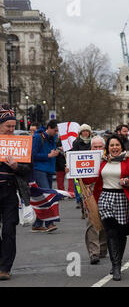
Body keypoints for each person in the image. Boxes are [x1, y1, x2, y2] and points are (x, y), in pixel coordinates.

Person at [83, 134, 129, 281]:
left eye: (117, 145)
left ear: (121, 147)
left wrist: (128, 182)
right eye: (111, 145)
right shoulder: (101, 162)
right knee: (111, 232)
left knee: (121, 234)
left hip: (122, 199)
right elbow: (90, 178)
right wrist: (77, 171)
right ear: (107, 148)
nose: (114, 148)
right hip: (105, 199)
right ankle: (115, 266)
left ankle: (118, 262)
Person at [0, 104, 32, 281]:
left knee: (9, 230)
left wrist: (16, 166)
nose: (11, 129)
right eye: (8, 126)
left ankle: (5, 267)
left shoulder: (20, 144)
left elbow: (28, 170)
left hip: (10, 190)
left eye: (13, 126)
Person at [82, 136, 108, 265]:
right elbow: (82, 178)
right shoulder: (85, 159)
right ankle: (94, 252)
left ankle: (103, 248)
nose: (97, 149)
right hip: (90, 191)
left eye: (100, 147)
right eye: (95, 147)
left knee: (105, 220)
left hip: (106, 191)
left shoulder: (110, 159)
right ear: (90, 148)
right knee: (91, 221)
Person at [31, 119, 60, 232]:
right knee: (48, 195)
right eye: (55, 130)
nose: (56, 133)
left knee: (44, 196)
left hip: (48, 170)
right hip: (39, 170)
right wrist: (48, 155)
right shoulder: (38, 137)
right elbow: (33, 155)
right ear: (49, 127)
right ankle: (49, 223)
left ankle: (38, 223)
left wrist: (57, 152)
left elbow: (50, 152)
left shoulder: (52, 138)